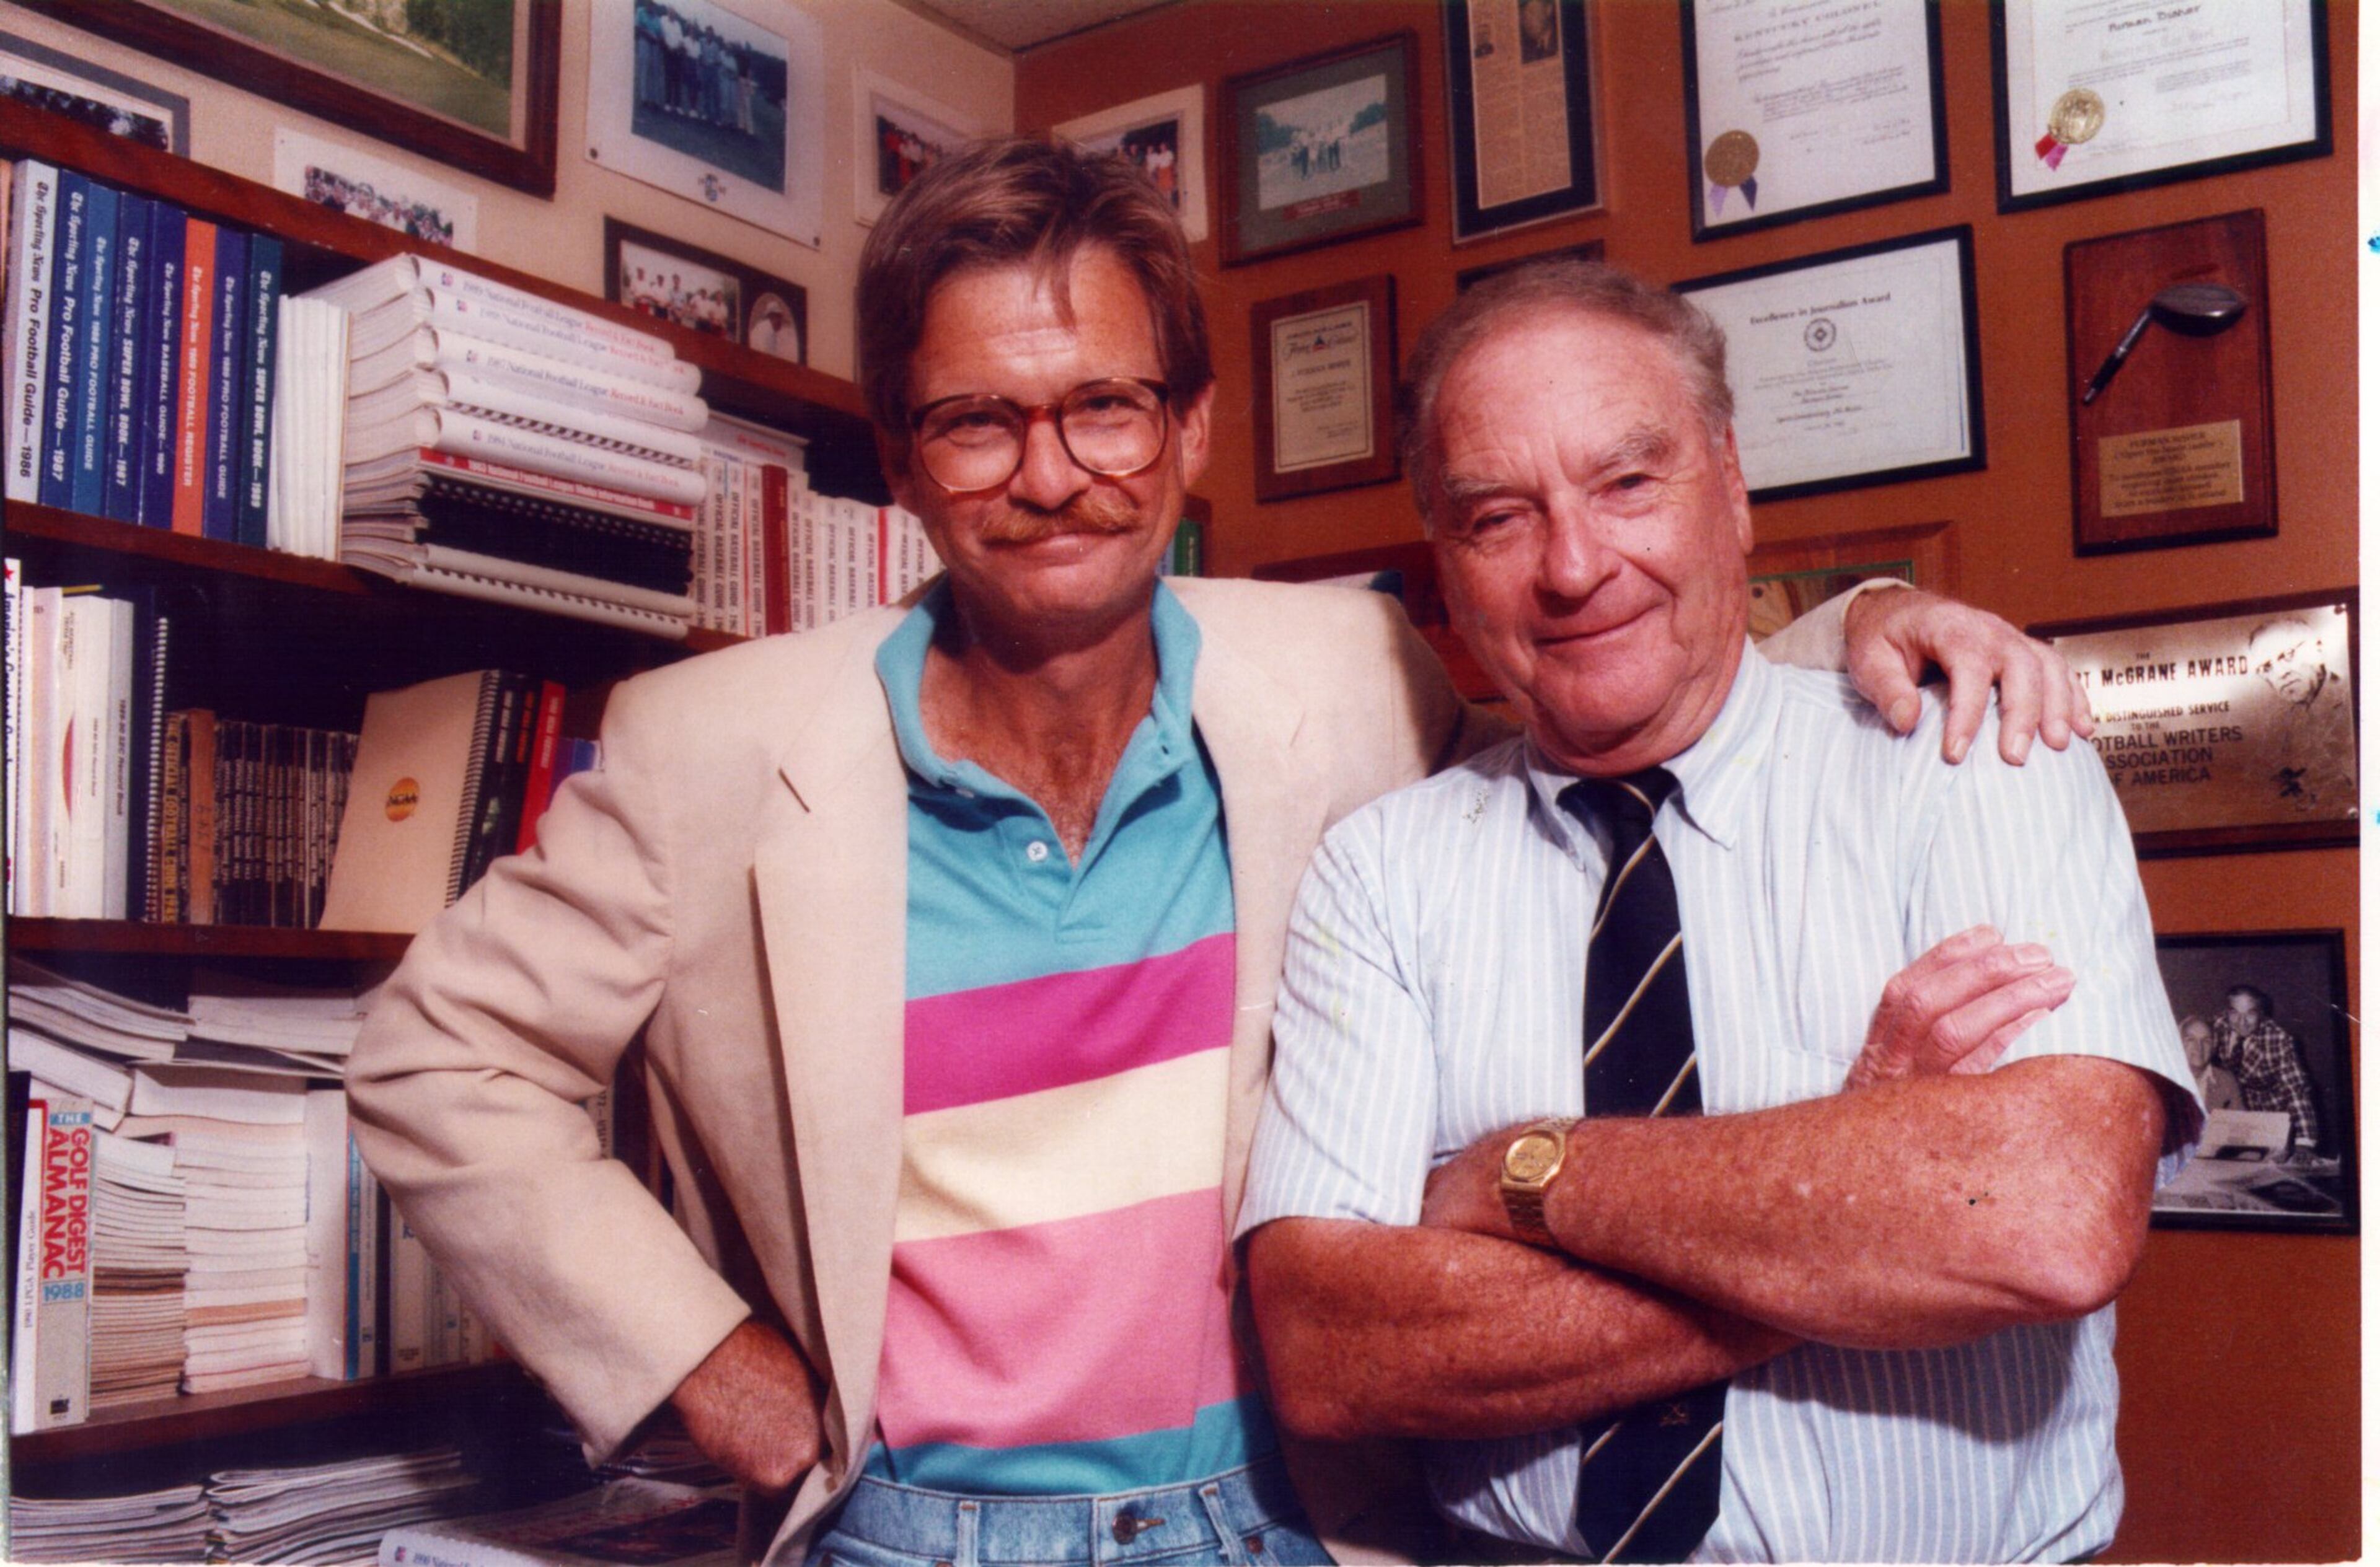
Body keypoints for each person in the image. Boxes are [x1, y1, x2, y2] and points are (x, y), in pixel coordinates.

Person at [345, 143, 2092, 1567]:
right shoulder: (716, 748)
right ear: (903, 461)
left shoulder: (1340, 675)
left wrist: (1873, 620)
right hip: (911, 1529)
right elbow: (441, 1060)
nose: (1053, 476)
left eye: (1106, 407)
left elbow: (1599, 672)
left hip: (1289, 1522)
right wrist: (708, 1372)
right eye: (979, 421)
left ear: (1188, 436)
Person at [1240, 260, 2202, 1563]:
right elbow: (1335, 1350)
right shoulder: (1382, 874)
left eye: (1628, 482)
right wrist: (1847, 1202)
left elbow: (2042, 1215)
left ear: (1733, 487)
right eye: (1498, 517)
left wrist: (1526, 1172)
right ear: (1446, 566)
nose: (1574, 565)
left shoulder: (1972, 749)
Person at [2215, 983, 2319, 1155]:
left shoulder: (2278, 1039)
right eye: (2235, 1013)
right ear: (2227, 1013)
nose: (2242, 1022)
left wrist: (2304, 1143)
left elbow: (2295, 1091)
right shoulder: (2219, 1026)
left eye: (2250, 1014)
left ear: (2261, 1015)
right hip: (2235, 1112)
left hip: (2272, 1115)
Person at [2180, 1015, 2244, 1112]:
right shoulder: (2165, 1078)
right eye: (2191, 1040)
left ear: (2214, 1046)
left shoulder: (2226, 1082)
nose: (2199, 1047)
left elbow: (2239, 1124)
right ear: (2178, 1043)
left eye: (2206, 1041)